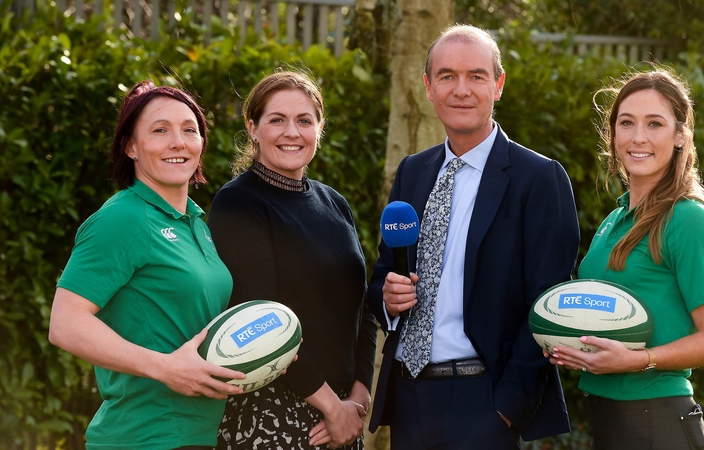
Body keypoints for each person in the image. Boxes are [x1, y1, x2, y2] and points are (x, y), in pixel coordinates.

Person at [368, 25, 580, 449]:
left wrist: (505, 408)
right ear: (428, 87)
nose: (461, 90)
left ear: (498, 85)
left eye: (476, 76)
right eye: (446, 76)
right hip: (410, 399)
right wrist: (388, 301)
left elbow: (548, 303)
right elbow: (383, 277)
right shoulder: (412, 172)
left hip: (484, 402)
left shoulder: (537, 178)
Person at [48, 81, 246, 450]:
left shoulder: (197, 225)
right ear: (131, 147)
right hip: (143, 436)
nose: (178, 142)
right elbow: (65, 324)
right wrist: (165, 368)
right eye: (160, 130)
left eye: (190, 129)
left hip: (199, 437)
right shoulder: (123, 218)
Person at [547, 68, 704, 450]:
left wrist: (638, 360)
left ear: (680, 135)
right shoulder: (615, 220)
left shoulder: (691, 221)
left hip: (657, 421)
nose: (638, 137)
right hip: (607, 418)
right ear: (612, 133)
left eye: (655, 124)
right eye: (627, 123)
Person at [207, 70, 377, 450]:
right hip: (271, 412)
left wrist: (357, 402)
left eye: (304, 120)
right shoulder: (238, 203)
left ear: (319, 128)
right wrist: (330, 407)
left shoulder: (335, 204)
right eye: (276, 120)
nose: (292, 132)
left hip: (343, 418)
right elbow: (260, 324)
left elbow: (362, 308)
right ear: (253, 128)